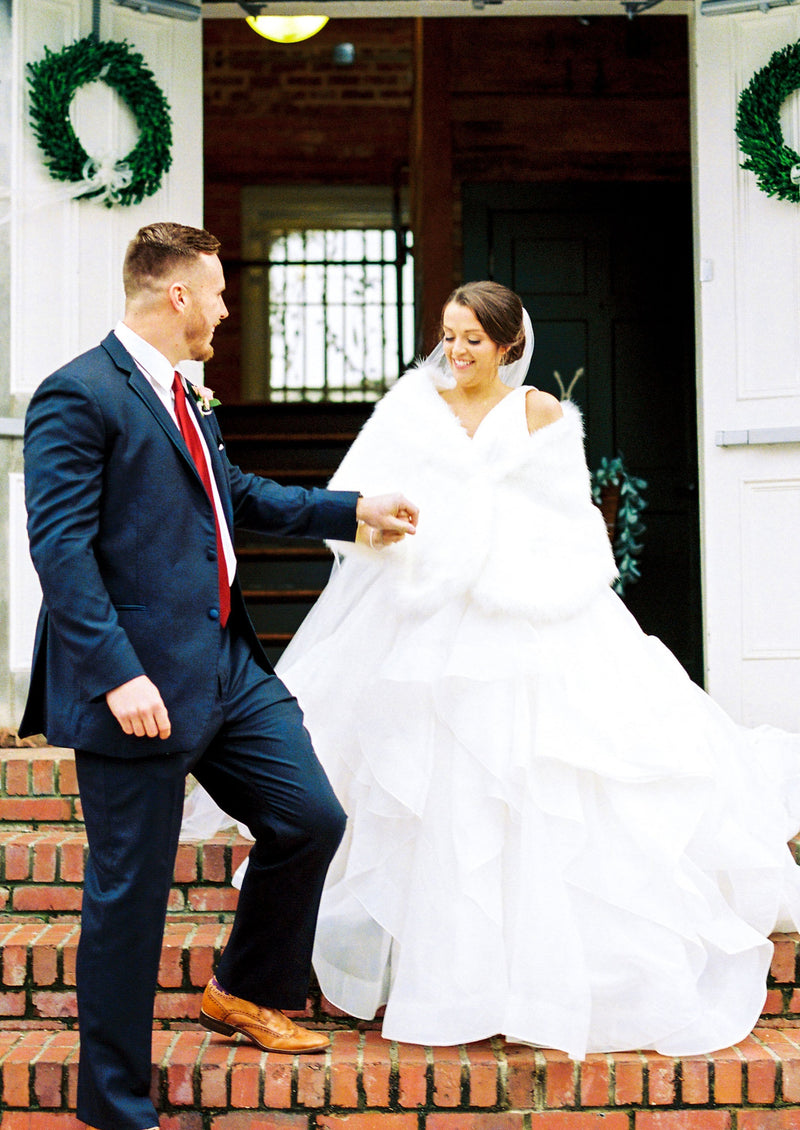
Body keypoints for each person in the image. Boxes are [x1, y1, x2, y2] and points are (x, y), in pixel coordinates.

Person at [181, 280, 800, 1061]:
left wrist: (505, 558)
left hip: (522, 617)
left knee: (528, 785)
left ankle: (524, 975)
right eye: (449, 336)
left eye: (473, 339)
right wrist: (398, 529)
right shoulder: (413, 404)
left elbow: (573, 526)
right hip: (423, 611)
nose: (457, 352)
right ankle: (439, 967)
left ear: (509, 344)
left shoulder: (540, 413)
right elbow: (360, 496)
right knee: (430, 788)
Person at [18, 221, 418, 1130]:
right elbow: (61, 550)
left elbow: (234, 497)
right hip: (134, 687)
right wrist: (117, 674)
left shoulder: (186, 396)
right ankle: (116, 1108)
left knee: (311, 817)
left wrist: (353, 510)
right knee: (129, 898)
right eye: (221, 293)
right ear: (177, 296)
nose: (229, 310)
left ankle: (242, 988)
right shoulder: (76, 395)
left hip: (227, 666)